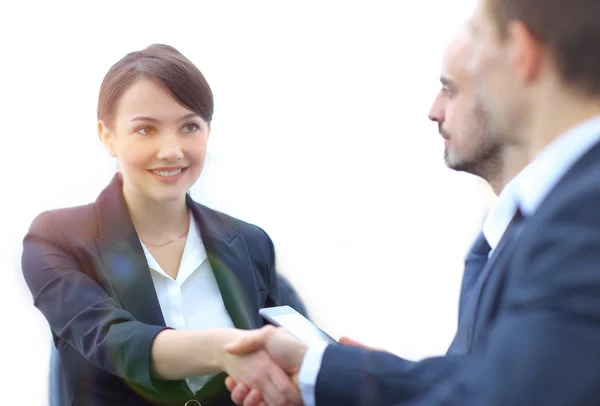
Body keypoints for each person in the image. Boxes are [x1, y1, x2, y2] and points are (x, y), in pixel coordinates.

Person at [223, 0, 600, 403]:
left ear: (520, 54)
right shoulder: (564, 206)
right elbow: (494, 376)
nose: (435, 109)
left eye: (478, 50)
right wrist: (324, 370)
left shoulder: (581, 215)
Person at [22, 44, 302, 406]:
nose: (171, 150)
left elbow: (297, 344)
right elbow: (112, 340)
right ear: (107, 136)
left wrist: (348, 367)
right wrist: (224, 349)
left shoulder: (250, 242)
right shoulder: (57, 239)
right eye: (145, 130)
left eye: (189, 126)